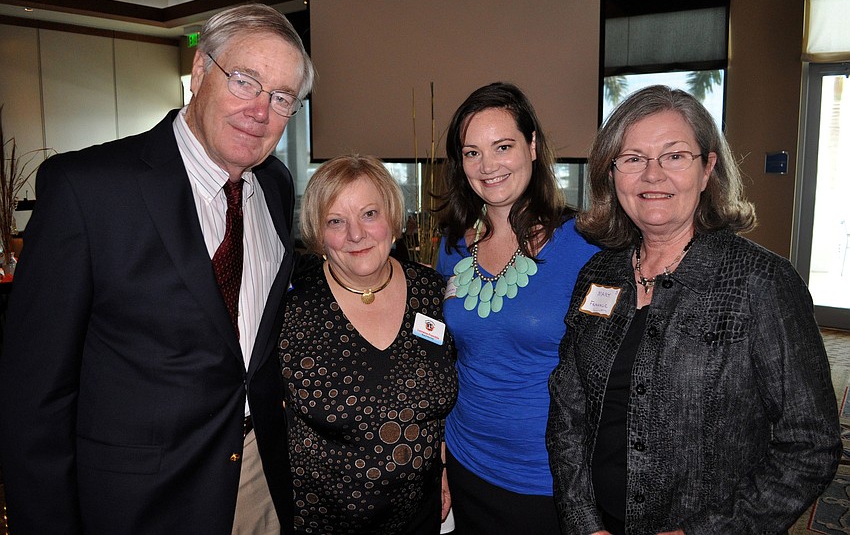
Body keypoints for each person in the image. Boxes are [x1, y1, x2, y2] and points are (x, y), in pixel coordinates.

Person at [0, 3, 315, 534]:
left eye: (281, 98)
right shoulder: (88, 189)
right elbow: (34, 398)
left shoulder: (277, 188)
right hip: (135, 500)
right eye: (244, 81)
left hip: (257, 483)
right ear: (199, 72)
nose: (260, 111)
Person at [546, 85, 841, 535]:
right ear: (612, 175)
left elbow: (811, 444)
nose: (652, 175)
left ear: (707, 169)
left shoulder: (761, 283)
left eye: (674, 156)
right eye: (632, 158)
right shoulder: (598, 274)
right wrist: (584, 521)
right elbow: (569, 410)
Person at [434, 82, 600, 534]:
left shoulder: (585, 247)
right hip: (466, 459)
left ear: (531, 145)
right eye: (472, 153)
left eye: (502, 146)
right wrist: (442, 458)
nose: (488, 166)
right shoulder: (452, 247)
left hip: (547, 478)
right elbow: (443, 358)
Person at [279, 154, 458, 534]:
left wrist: (444, 463)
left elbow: (454, 393)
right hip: (323, 523)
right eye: (336, 221)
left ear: (393, 218)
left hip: (418, 518)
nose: (355, 234)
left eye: (369, 214)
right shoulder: (290, 310)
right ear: (317, 232)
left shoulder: (434, 294)